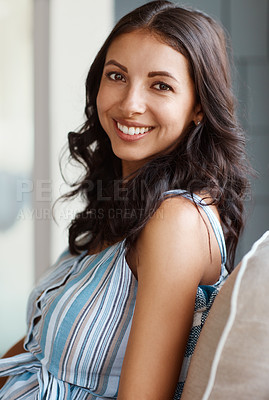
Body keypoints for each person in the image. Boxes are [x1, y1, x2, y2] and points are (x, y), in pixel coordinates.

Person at [0, 1, 250, 399]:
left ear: (199, 107)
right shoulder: (125, 203)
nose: (130, 103)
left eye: (161, 84)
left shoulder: (176, 221)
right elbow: (36, 351)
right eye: (116, 76)